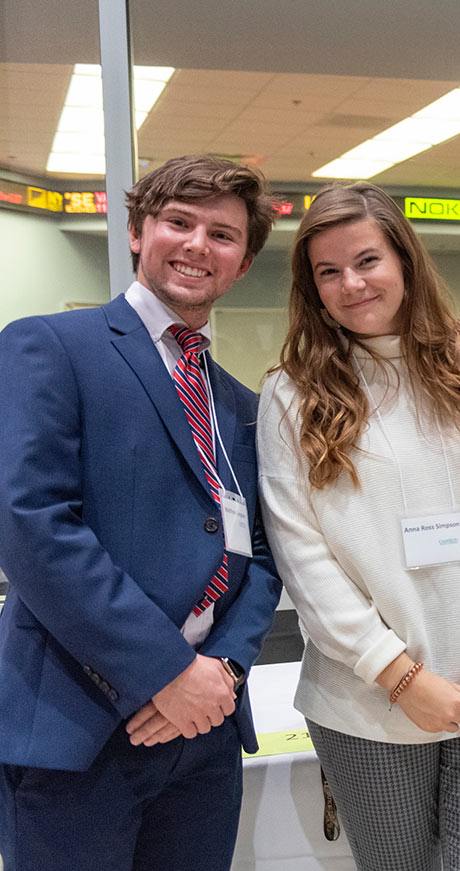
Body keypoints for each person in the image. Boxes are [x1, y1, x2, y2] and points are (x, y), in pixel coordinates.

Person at [257, 182, 460, 870]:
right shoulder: (293, 392)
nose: (350, 284)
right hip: (366, 701)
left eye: (366, 260)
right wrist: (397, 676)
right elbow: (302, 556)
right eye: (327, 272)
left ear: (406, 260)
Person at [0, 154, 284, 869]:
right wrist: (166, 671)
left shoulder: (241, 406)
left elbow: (264, 552)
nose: (196, 245)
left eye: (221, 234)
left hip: (205, 737)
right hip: (79, 727)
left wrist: (219, 670)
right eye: (178, 222)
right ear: (136, 231)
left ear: (243, 262)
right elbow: (30, 522)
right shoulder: (52, 347)